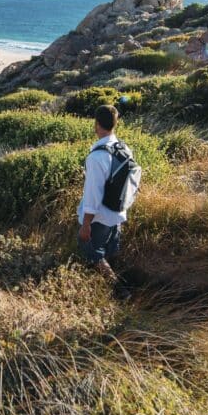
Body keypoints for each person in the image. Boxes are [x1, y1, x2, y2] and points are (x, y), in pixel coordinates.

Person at [78, 104, 127, 282]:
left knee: (92, 254)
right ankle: (124, 282)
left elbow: (93, 194)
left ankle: (119, 290)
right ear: (115, 123)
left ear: (97, 124)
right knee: (109, 252)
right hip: (117, 214)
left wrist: (86, 224)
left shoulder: (96, 157)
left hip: (100, 218)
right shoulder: (123, 148)